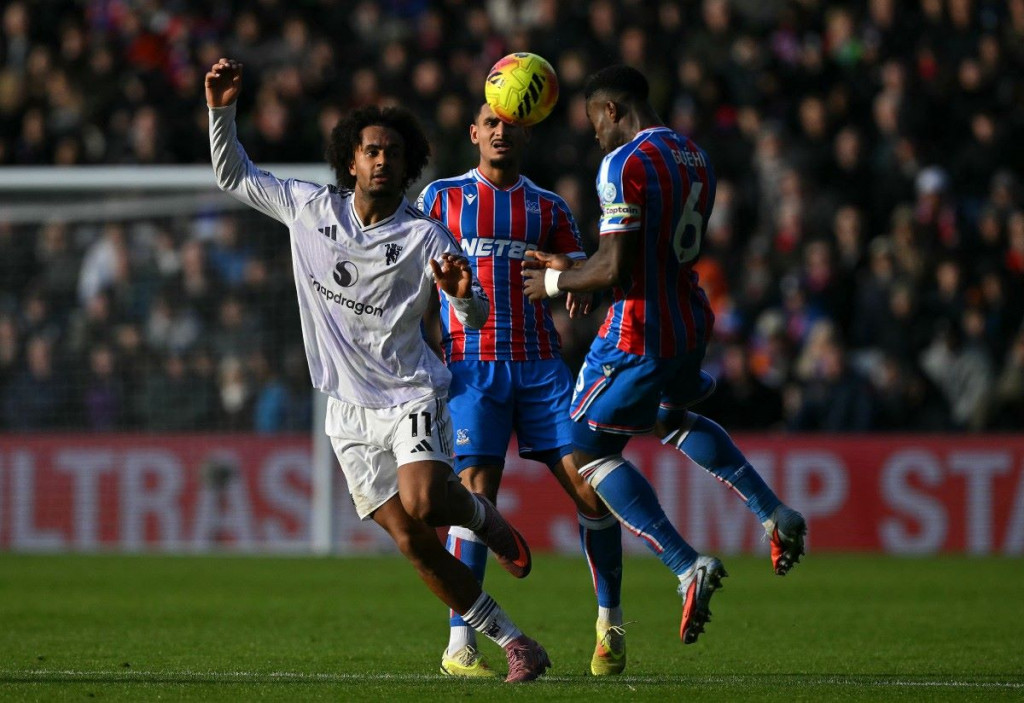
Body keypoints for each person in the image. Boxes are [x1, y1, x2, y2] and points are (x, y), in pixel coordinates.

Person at [205, 58, 550, 683]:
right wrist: (221, 111)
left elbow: (471, 320)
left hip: (411, 393)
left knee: (424, 502)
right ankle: (514, 639)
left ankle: (481, 518)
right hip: (345, 408)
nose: (382, 160)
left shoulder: (427, 236)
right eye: (371, 151)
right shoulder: (307, 209)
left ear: (407, 163)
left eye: (393, 151)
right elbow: (234, 175)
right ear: (351, 161)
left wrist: (463, 294)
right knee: (414, 542)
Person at [523, 65, 807, 645]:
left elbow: (617, 267)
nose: (594, 137)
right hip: (688, 320)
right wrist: (579, 270)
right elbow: (642, 251)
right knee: (668, 418)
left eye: (593, 124)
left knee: (585, 454)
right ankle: (775, 512)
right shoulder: (694, 156)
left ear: (611, 110)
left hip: (638, 331)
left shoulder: (623, 162)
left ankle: (686, 565)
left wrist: (554, 286)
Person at [417, 103, 626, 677]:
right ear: (474, 133)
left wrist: (575, 279)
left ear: (524, 132)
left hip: (540, 369)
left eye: (510, 124)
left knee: (590, 488)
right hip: (470, 368)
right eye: (490, 123)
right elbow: (406, 269)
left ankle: (611, 625)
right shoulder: (440, 199)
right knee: (474, 495)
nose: (500, 131)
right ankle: (461, 646)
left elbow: (582, 273)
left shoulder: (549, 206)